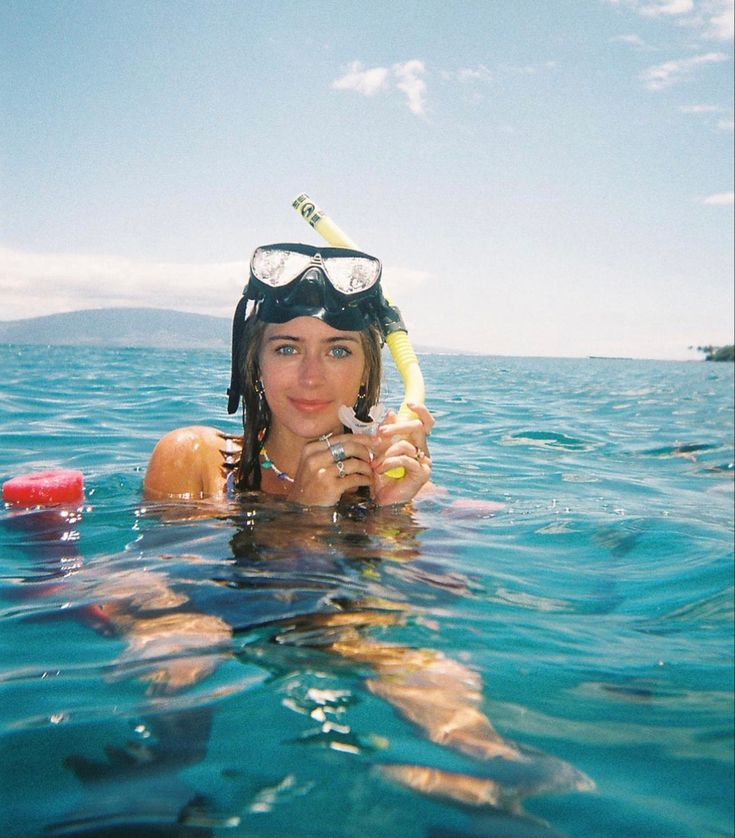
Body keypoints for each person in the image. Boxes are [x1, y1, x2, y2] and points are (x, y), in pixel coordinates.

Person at [143, 242, 433, 508]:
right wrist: (304, 511)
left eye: (338, 352)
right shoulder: (194, 462)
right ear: (255, 364)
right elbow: (147, 564)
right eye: (287, 349)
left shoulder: (403, 483)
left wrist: (391, 512)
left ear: (366, 372)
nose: (311, 378)